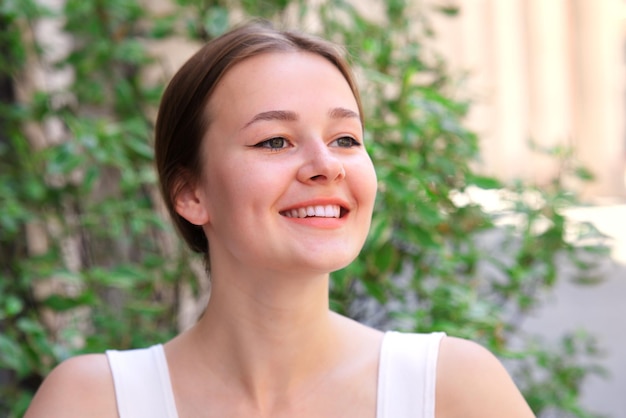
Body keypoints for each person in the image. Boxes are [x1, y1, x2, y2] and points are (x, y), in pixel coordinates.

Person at [25, 21, 535, 418]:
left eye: (345, 139)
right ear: (189, 192)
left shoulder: (452, 390)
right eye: (275, 141)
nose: (327, 165)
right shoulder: (93, 402)